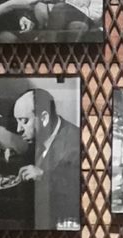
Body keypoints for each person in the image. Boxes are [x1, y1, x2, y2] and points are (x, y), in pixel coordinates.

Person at [13, 87, 82, 229]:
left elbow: (75, 190)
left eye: (24, 121)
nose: (18, 129)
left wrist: (43, 175)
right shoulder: (43, 134)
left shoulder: (74, 141)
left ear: (44, 118)